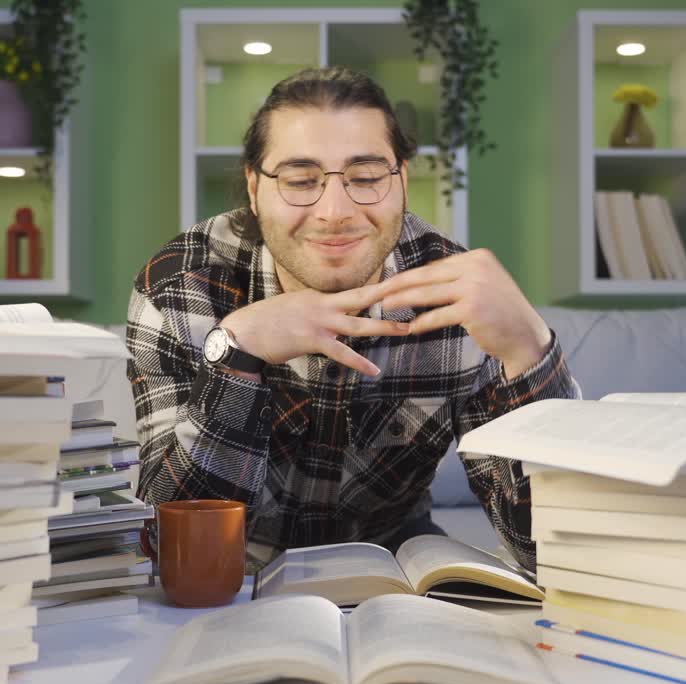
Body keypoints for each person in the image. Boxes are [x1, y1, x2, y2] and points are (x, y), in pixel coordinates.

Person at [127, 66, 578, 572]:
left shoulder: (457, 299)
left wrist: (531, 350)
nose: (335, 211)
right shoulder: (181, 285)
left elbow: (555, 552)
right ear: (254, 188)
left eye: (365, 178)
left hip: (395, 560)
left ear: (401, 180)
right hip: (238, 569)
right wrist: (236, 352)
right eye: (301, 181)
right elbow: (167, 547)